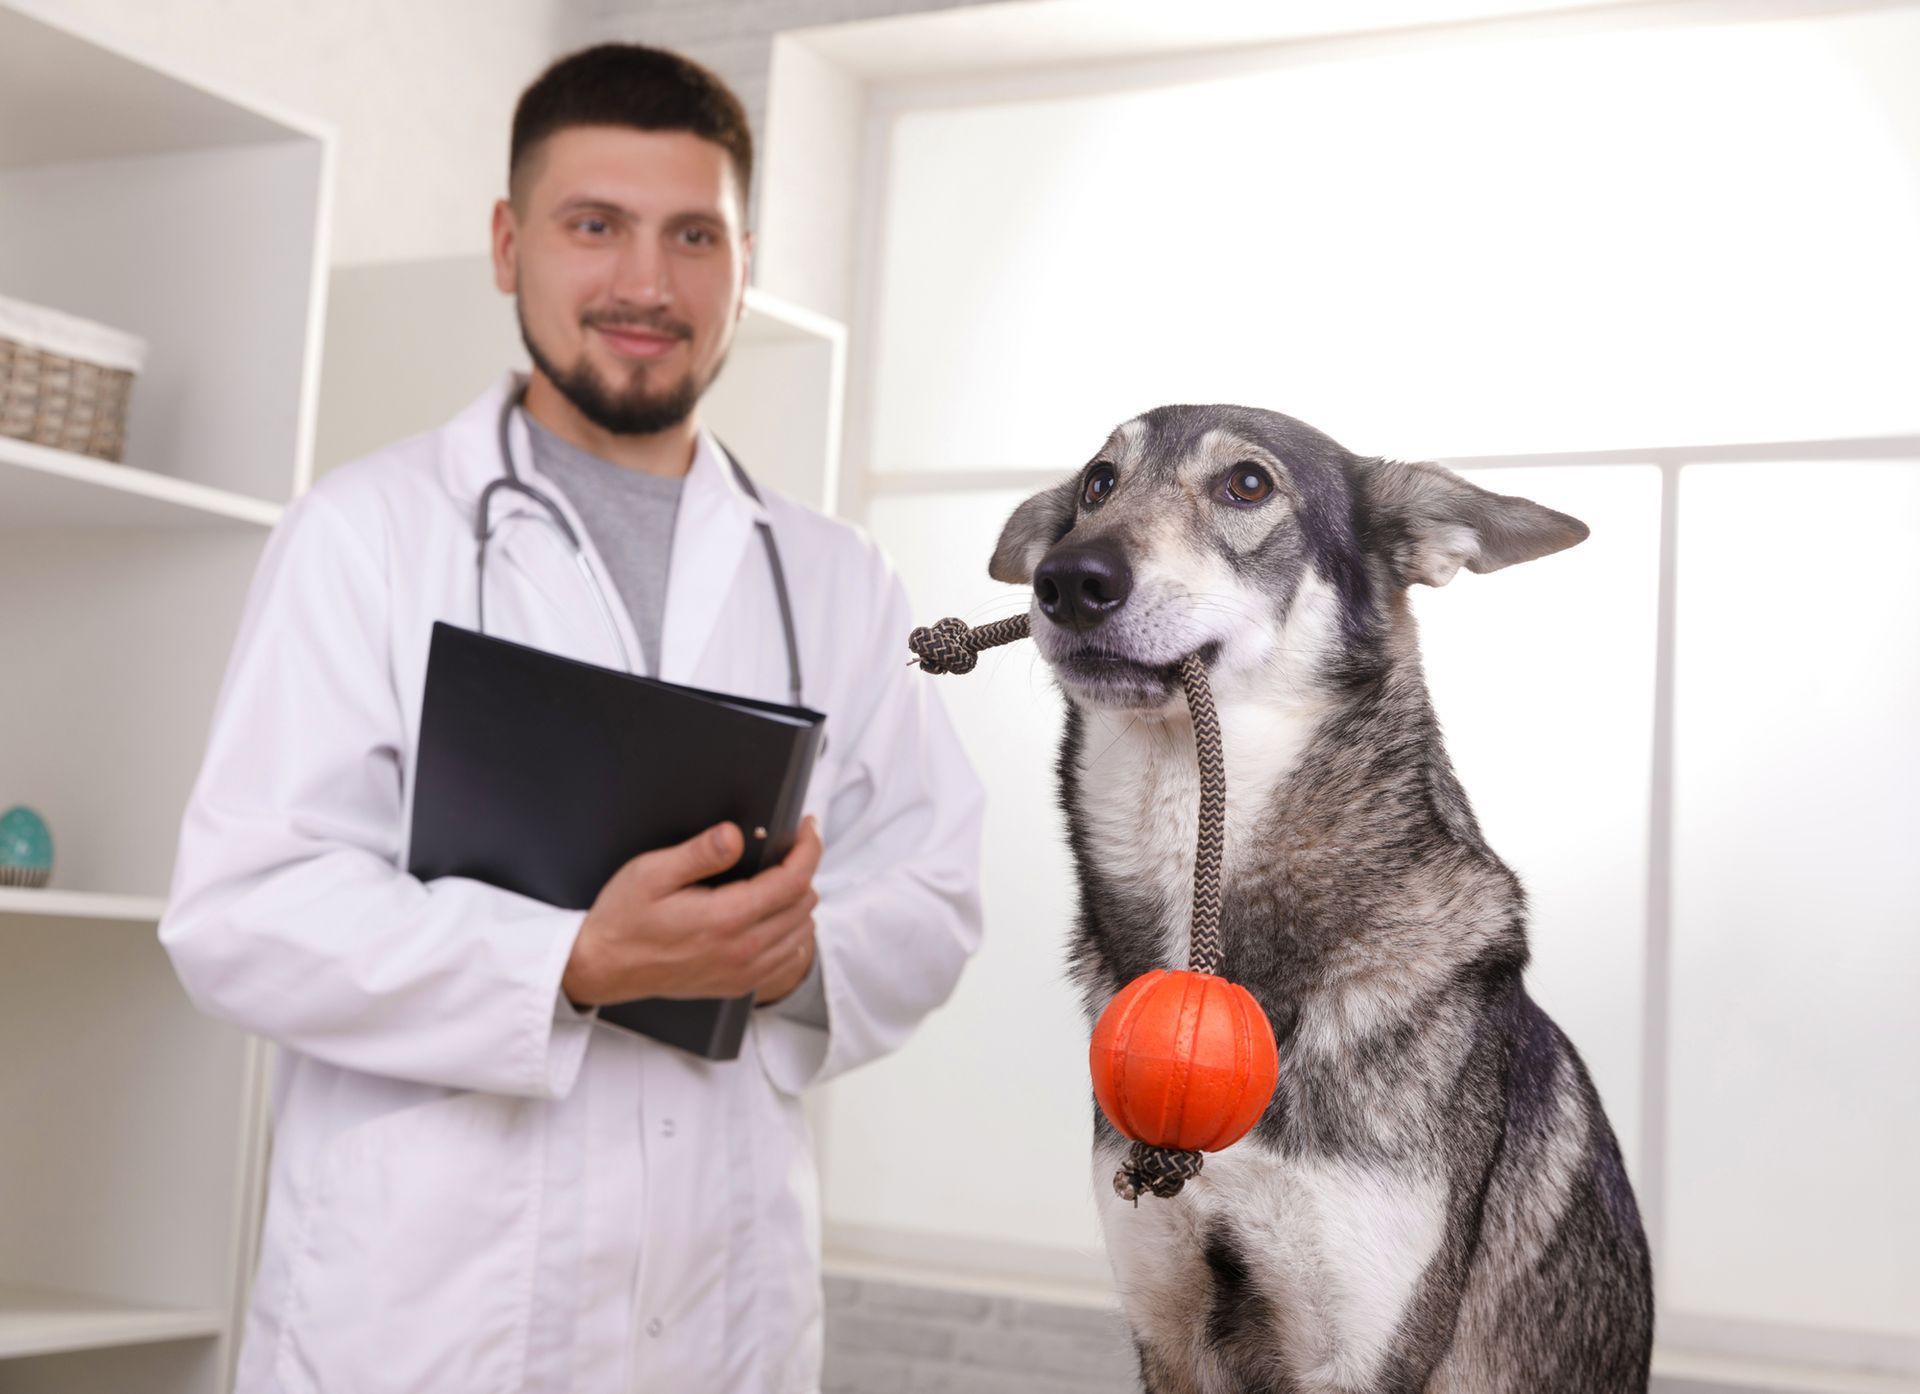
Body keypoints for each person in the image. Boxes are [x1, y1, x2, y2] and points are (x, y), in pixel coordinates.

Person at [158, 43, 984, 1394]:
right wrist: (570, 961)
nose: (647, 284)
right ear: (508, 245)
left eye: (693, 235)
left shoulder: (837, 577)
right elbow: (240, 913)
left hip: (719, 1320)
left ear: (744, 262)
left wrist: (788, 956)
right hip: (422, 1329)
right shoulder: (363, 535)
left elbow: (934, 890)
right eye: (595, 225)